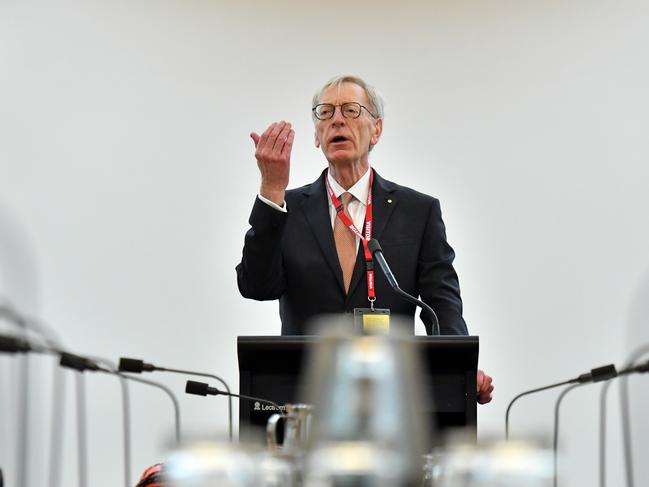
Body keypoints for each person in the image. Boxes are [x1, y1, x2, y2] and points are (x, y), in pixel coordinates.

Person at [236, 75, 493, 403]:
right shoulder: (288, 209)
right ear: (316, 136)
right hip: (305, 395)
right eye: (325, 113)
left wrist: (461, 368)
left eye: (351, 110)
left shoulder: (417, 211)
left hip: (393, 397)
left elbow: (441, 304)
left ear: (377, 130)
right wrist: (271, 191)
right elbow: (256, 287)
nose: (337, 119)